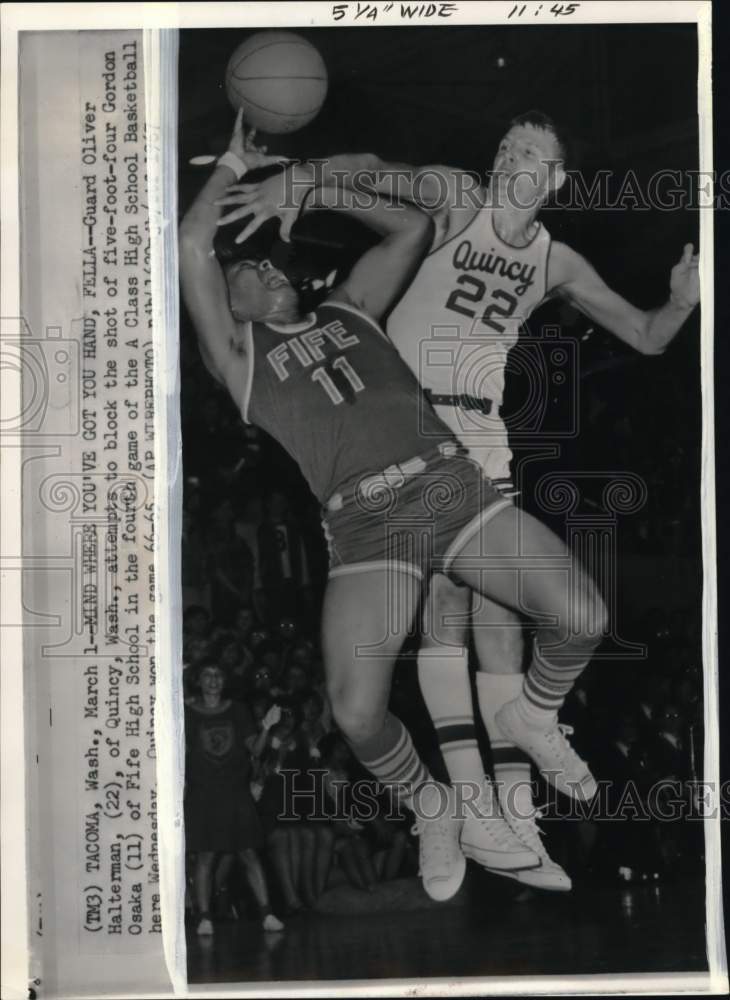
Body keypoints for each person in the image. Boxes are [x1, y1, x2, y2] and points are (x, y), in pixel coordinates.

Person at [217, 110, 700, 891]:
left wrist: (681, 301)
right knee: (445, 613)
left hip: (479, 428)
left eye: (531, 153)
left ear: (555, 180)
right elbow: (377, 166)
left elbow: (645, 336)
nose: (511, 157)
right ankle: (470, 808)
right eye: (506, 146)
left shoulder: (557, 262)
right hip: (405, 422)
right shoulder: (457, 195)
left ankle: (518, 813)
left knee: (503, 629)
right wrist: (303, 180)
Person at [184, 660, 284, 934]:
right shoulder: (188, 712)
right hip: (203, 792)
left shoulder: (238, 710)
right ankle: (204, 917)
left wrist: (266, 727)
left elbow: (256, 750)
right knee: (206, 856)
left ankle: (267, 914)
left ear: (224, 681)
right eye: (207, 675)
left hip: (235, 792)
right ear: (199, 680)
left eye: (218, 674)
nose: (213, 680)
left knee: (249, 853)